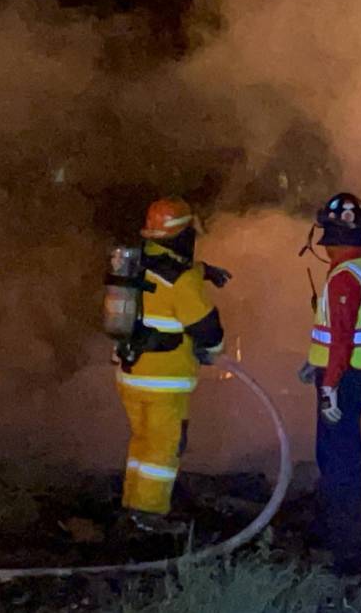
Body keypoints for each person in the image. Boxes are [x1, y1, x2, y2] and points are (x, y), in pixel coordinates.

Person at [116, 197, 229, 531]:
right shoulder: (182, 281)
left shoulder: (137, 263)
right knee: (164, 449)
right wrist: (214, 350)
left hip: (131, 375)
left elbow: (170, 272)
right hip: (164, 381)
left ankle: (133, 504)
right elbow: (206, 328)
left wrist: (207, 271)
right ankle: (150, 515)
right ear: (184, 234)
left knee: (142, 441)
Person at [298, 192, 361, 574]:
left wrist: (329, 385)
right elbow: (335, 335)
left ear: (330, 238)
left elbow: (342, 340)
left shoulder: (344, 278)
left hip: (343, 379)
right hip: (351, 375)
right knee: (336, 453)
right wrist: (313, 362)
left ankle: (345, 548)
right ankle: (330, 529)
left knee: (339, 459)